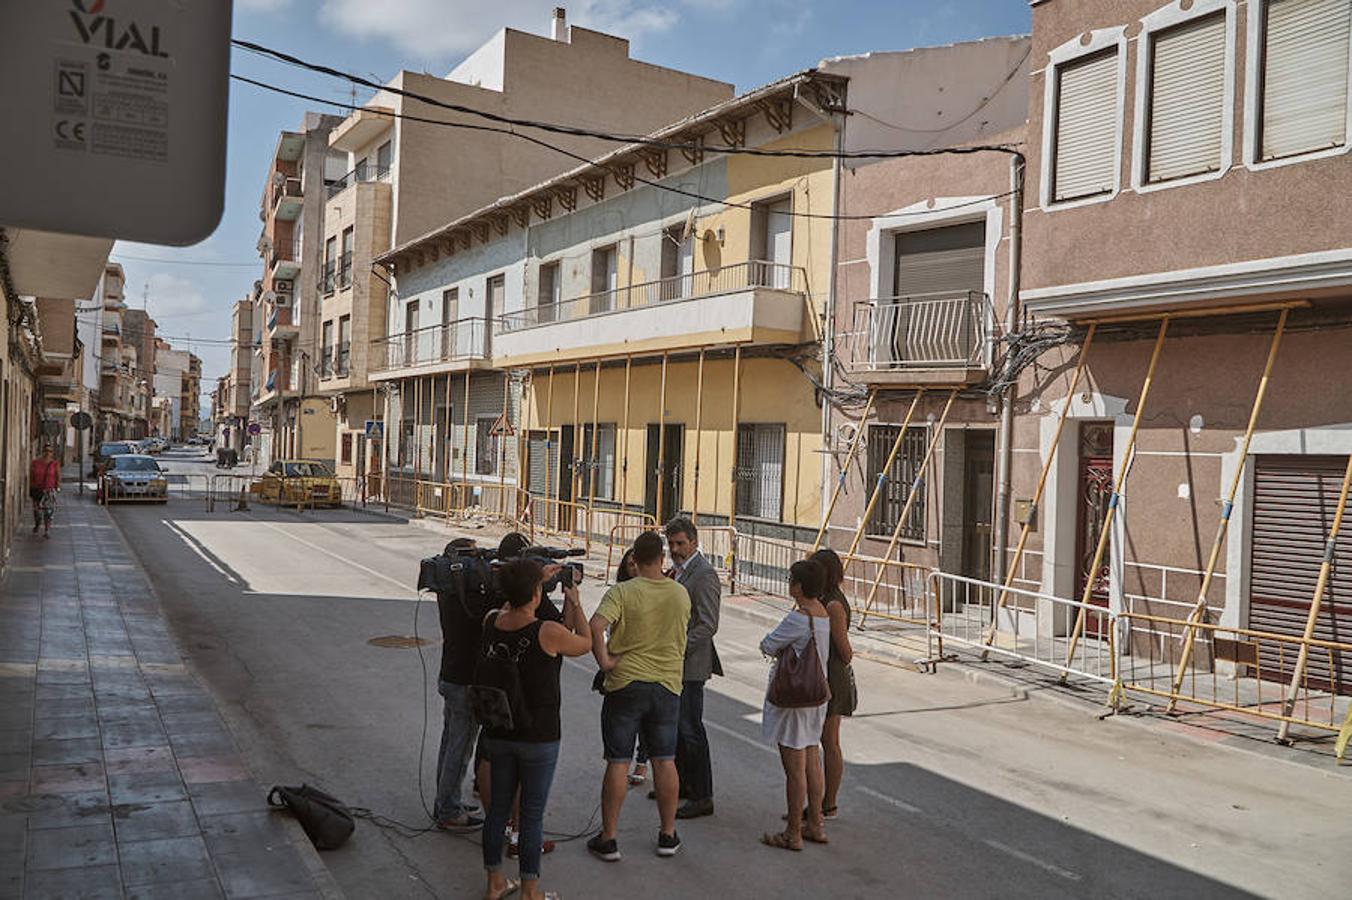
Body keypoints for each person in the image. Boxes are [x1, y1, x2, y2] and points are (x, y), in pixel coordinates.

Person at [480, 558, 592, 900]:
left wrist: (530, 581)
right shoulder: (547, 632)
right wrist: (575, 601)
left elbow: (509, 606)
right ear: (535, 592)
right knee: (530, 816)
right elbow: (585, 642)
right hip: (539, 735)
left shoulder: (492, 621)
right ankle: (531, 890)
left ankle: (494, 883)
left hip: (500, 729)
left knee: (497, 811)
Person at [587, 531, 690, 862]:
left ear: (634, 560)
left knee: (618, 760)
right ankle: (667, 834)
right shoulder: (680, 594)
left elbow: (595, 625)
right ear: (662, 559)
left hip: (625, 684)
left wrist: (605, 661)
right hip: (667, 687)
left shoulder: (622, 592)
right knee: (664, 759)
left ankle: (609, 838)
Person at [759, 559, 832, 851]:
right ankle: (815, 823)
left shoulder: (799, 618)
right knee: (813, 759)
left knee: (794, 768)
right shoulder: (822, 614)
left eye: (792, 580)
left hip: (794, 700)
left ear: (799, 586)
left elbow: (768, 644)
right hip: (816, 697)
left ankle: (793, 833)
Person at [664, 517, 722, 819]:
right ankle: (684, 784)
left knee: (691, 729)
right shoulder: (680, 572)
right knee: (677, 729)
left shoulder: (704, 575)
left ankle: (703, 795)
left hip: (690, 665)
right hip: (675, 666)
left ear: (694, 543)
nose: (675, 549)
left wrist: (677, 647)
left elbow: (708, 625)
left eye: (680, 544)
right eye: (671, 544)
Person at [433, 536, 487, 831]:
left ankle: (445, 800)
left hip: (450, 675)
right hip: (464, 680)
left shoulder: (448, 590)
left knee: (449, 741)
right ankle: (449, 810)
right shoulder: (468, 597)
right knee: (460, 745)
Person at [813, 548, 856, 820]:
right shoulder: (823, 600)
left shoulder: (833, 605)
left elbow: (845, 651)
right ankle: (818, 802)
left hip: (833, 676)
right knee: (822, 741)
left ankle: (829, 803)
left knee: (830, 741)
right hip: (822, 675)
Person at [613, 550, 650, 787]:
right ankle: (621, 763)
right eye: (630, 565)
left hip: (648, 667)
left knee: (646, 721)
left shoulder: (659, 592)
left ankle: (642, 762)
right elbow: (603, 629)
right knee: (626, 723)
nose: (634, 569)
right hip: (624, 667)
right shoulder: (618, 594)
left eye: (638, 564)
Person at [29, 445, 60, 539]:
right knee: (37, 511)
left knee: (48, 511)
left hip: (49, 491)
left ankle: (47, 530)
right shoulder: (35, 463)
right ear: (42, 452)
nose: (47, 453)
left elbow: (58, 477)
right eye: (46, 450)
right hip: (37, 490)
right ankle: (37, 523)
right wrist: (31, 487)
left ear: (52, 453)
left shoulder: (55, 464)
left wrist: (57, 488)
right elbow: (31, 476)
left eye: (50, 451)